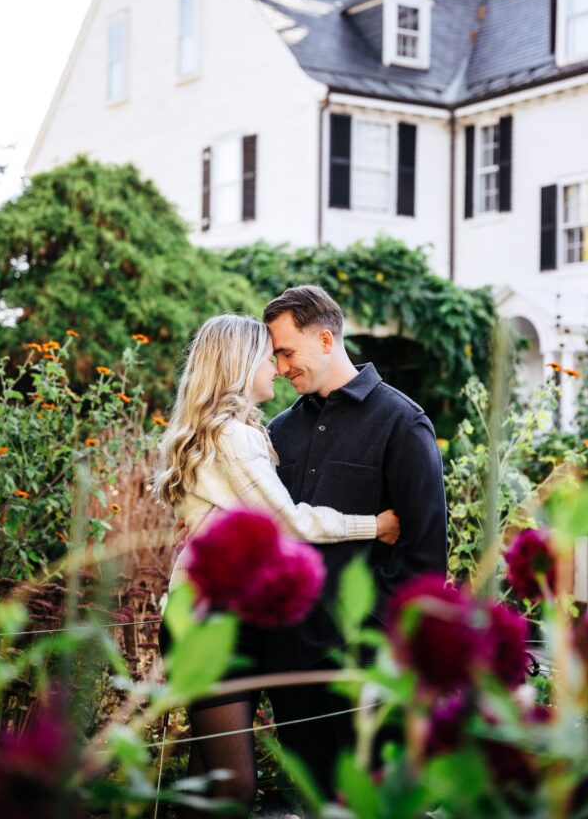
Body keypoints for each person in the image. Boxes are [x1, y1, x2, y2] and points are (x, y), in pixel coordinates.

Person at [173, 287, 448, 799]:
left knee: (372, 801)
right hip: (289, 663)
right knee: (312, 798)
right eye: (272, 355)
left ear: (325, 339)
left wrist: (372, 641)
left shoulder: (401, 423)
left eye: (285, 352)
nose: (278, 367)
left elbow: (425, 557)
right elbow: (278, 530)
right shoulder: (275, 432)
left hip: (364, 665)